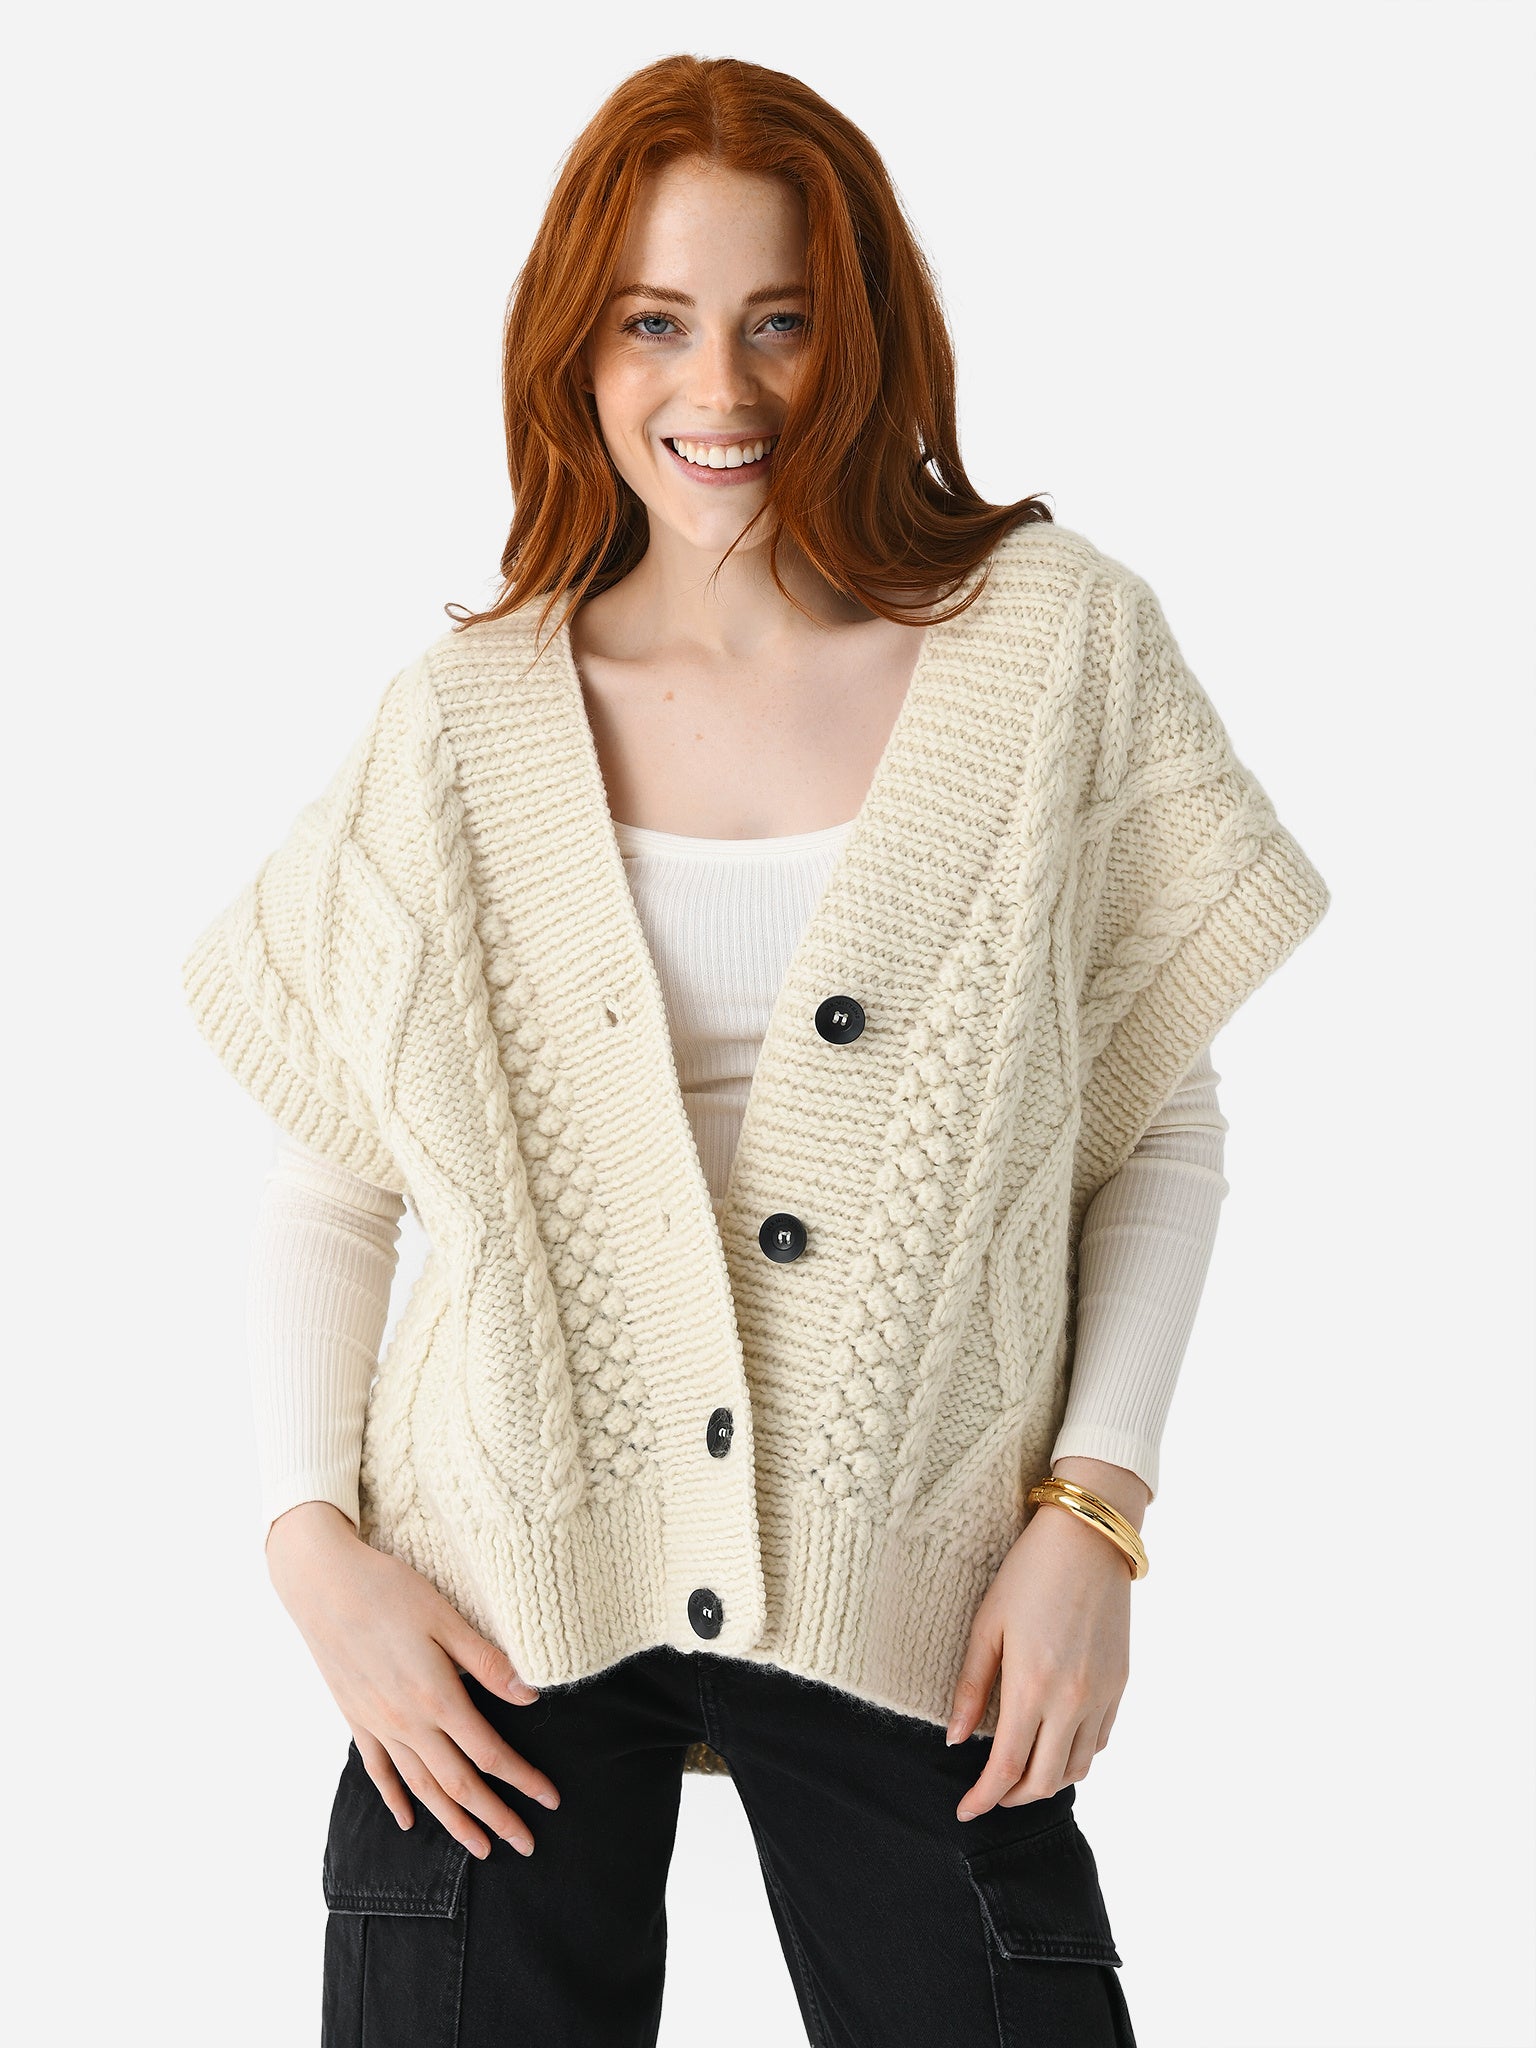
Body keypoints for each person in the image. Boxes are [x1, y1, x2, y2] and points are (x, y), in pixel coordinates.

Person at [181, 53, 1330, 2048]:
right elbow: (327, 1170)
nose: (718, 388)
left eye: (779, 322)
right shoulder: (463, 721)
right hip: (498, 1583)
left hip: (919, 1570)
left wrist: (1094, 1515)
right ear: (576, 344)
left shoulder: (1052, 648)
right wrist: (313, 1550)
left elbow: (1155, 1117)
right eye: (654, 321)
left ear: (864, 336)